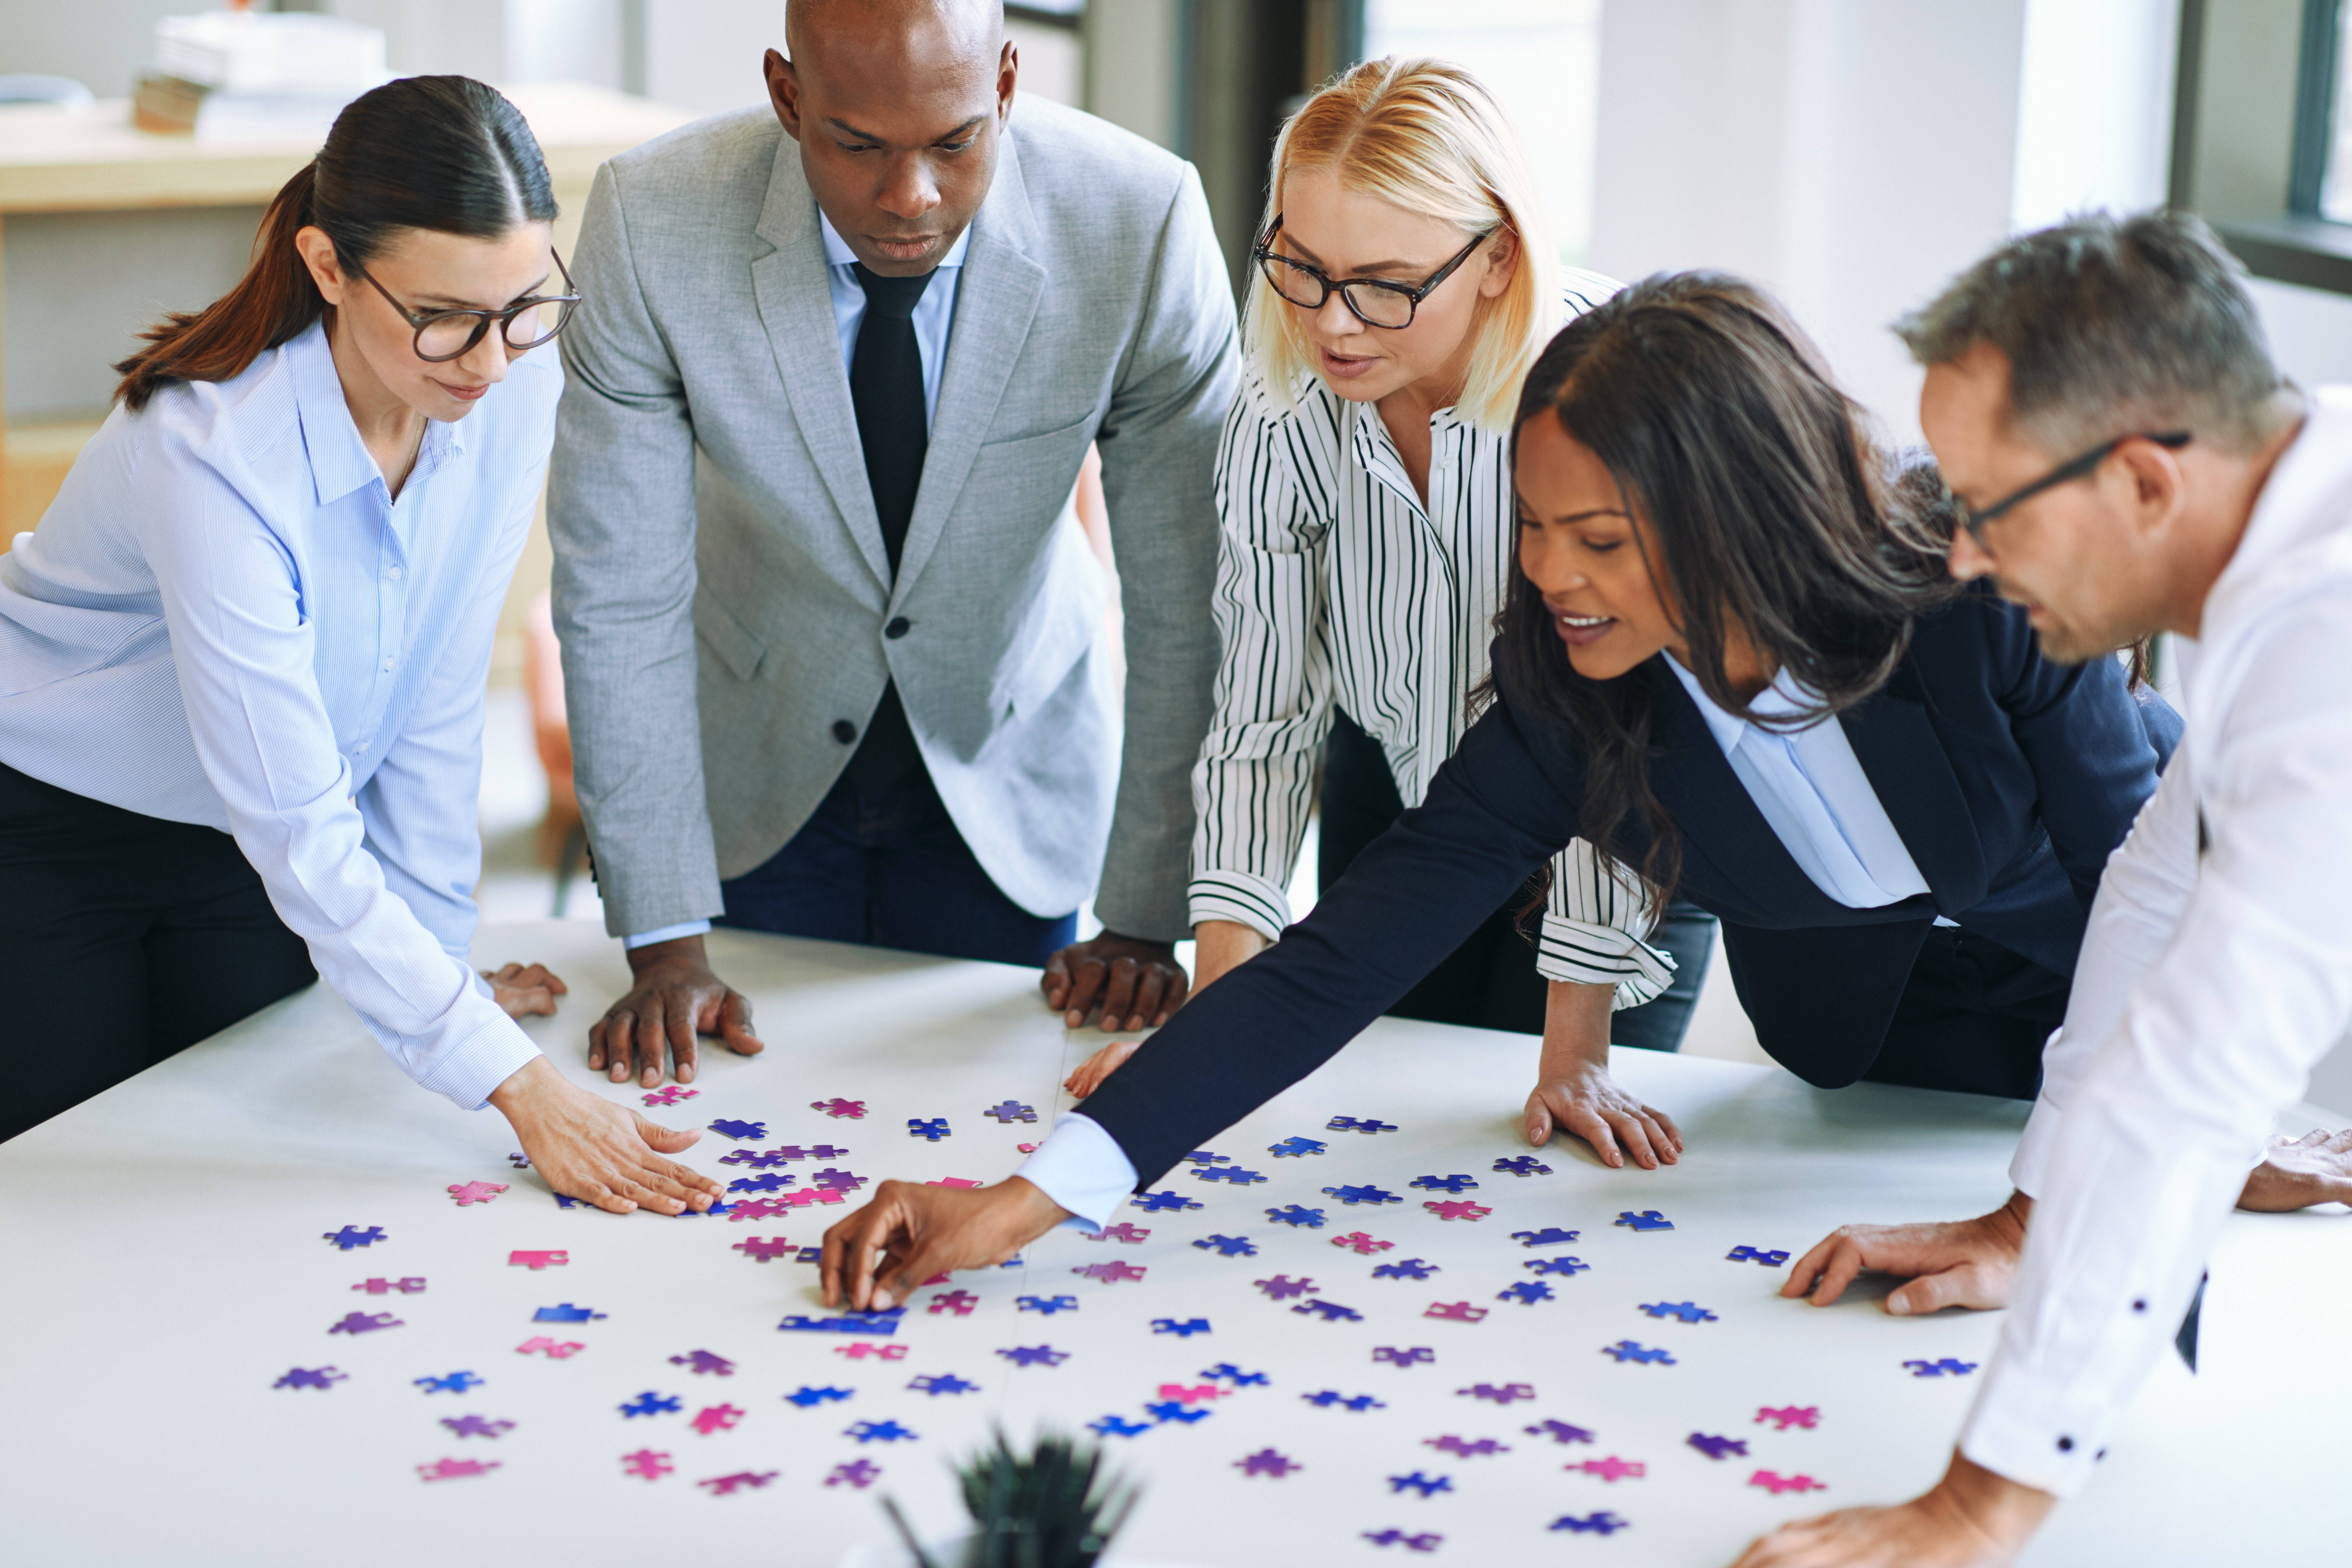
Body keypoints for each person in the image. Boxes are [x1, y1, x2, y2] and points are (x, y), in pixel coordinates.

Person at [817, 272, 2191, 1304]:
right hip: (1863, 993)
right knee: (1884, 1090)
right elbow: (1325, 971)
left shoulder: (1984, 586)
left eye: (1598, 537)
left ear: (1739, 515)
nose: (1546, 574)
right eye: (1533, 526)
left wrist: (2085, 1186)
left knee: (2161, 1110)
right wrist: (1017, 1202)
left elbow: (2153, 887)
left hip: (2104, 898)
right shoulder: (1566, 704)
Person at [1739, 212, 2352, 1568]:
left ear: (2142, 479)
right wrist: (2035, 1213)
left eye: (1988, 507)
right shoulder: (2280, 534)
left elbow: (2194, 1073)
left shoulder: (2329, 642)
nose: (1957, 558)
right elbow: (2148, 897)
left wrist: (1979, 1504)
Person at [0, 77, 721, 1215]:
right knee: (74, 1192)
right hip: (47, 830)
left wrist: (441, 972)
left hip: (235, 854)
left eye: (523, 304)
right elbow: (298, 821)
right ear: (329, 267)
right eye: (443, 315)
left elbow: (433, 698)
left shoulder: (507, 392)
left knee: (246, 1177)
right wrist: (520, 1086)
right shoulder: (211, 449)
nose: (488, 360)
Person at [550, 0, 1236, 1090]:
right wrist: (664, 935)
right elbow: (616, 592)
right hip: (749, 782)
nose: (910, 198)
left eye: (955, 143)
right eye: (858, 145)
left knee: (997, 1134)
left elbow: (1188, 597)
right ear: (787, 96)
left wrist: (1149, 913)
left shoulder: (1139, 220)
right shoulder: (650, 220)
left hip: (1012, 769)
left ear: (1008, 83)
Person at [1059, 57, 1717, 1173]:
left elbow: (1629, 738)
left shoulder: (1615, 393)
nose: (1333, 322)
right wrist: (1212, 1043)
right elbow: (1263, 722)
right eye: (1302, 271)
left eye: (1385, 283)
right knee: (1378, 1154)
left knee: (1549, 1179)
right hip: (1409, 818)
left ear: (1499, 253)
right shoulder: (1281, 407)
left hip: (1623, 833)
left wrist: (1576, 1048)